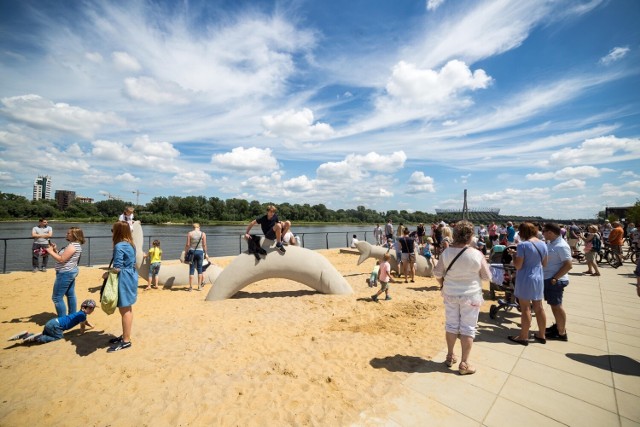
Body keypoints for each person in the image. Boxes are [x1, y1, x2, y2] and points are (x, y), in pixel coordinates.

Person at [434, 221, 491, 375]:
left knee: (451, 325)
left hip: (451, 293)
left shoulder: (446, 253)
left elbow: (437, 273)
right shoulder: (476, 254)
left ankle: (450, 355)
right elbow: (486, 277)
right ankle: (464, 363)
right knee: (468, 328)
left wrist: (442, 284)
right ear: (470, 236)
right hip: (471, 295)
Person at [507, 223, 548, 346]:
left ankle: (523, 336)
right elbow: (545, 263)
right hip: (538, 276)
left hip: (526, 277)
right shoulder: (543, 244)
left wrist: (513, 255)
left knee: (525, 308)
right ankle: (542, 334)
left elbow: (518, 265)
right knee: (539, 307)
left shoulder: (523, 245)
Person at [104, 221, 138, 352]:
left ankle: (126, 341)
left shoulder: (119, 246)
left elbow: (117, 267)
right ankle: (125, 335)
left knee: (124, 310)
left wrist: (107, 274)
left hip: (123, 278)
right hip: (131, 276)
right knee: (127, 308)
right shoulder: (131, 244)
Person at [9, 299, 96, 344]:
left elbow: (85, 322)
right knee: (59, 338)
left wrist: (92, 326)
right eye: (90, 308)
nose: (92, 310)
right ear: (83, 308)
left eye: (93, 308)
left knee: (46, 335)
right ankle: (39, 338)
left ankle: (26, 335)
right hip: (56, 326)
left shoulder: (80, 314)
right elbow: (82, 326)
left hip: (52, 322)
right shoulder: (82, 315)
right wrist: (81, 334)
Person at [542, 223, 572, 342]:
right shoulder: (552, 243)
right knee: (554, 306)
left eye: (544, 231)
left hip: (555, 280)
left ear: (550, 232)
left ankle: (561, 332)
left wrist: (555, 278)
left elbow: (568, 265)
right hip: (550, 278)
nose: (543, 233)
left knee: (557, 306)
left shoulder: (561, 246)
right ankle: (558, 327)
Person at [45, 227, 85, 316]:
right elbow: (64, 256)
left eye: (68, 233)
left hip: (65, 273)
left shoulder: (73, 246)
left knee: (57, 298)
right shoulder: (74, 245)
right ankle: (72, 316)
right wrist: (55, 250)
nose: (66, 234)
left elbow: (61, 259)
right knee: (70, 294)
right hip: (70, 271)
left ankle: (63, 320)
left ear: (74, 235)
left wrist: (50, 251)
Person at [185, 223, 208, 291]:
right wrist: (206, 253)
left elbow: (188, 244)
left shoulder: (190, 233)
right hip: (200, 252)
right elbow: (204, 244)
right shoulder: (203, 234)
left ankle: (191, 287)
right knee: (200, 269)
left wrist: (186, 252)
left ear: (193, 227)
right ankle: (199, 286)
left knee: (191, 269)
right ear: (199, 227)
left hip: (192, 252)